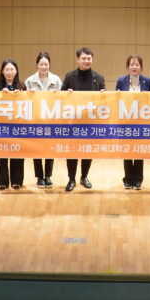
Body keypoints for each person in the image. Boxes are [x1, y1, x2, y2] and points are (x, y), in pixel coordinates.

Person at [61, 46, 105, 191]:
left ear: (92, 59)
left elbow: (104, 102)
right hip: (73, 121)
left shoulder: (99, 78)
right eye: (83, 58)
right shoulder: (69, 76)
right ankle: (71, 179)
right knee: (72, 151)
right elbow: (61, 97)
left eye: (89, 58)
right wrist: (66, 94)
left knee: (88, 150)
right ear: (78, 60)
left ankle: (84, 176)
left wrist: (104, 95)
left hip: (90, 122)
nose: (86, 61)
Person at [116, 54, 150, 190]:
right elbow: (116, 100)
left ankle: (138, 180)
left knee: (139, 151)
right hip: (125, 121)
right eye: (132, 64)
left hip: (141, 121)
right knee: (127, 151)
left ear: (141, 67)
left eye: (137, 64)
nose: (134, 67)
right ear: (128, 66)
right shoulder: (121, 80)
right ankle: (127, 179)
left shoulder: (147, 81)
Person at [25, 51, 61, 189]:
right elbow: (25, 100)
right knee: (37, 149)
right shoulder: (29, 81)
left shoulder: (56, 80)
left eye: (46, 64)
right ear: (37, 65)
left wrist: (58, 94)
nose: (44, 67)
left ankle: (48, 176)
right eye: (41, 64)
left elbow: (63, 99)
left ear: (49, 65)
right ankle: (39, 177)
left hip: (51, 120)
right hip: (36, 119)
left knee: (50, 148)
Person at [0, 59, 25, 190]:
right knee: (1, 153)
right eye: (7, 69)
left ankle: (17, 180)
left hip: (18, 125)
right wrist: (1, 96)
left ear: (16, 71)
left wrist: (21, 95)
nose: (9, 72)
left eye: (12, 69)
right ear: (2, 71)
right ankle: (2, 181)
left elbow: (28, 103)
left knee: (18, 152)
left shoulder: (22, 86)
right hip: (1, 126)